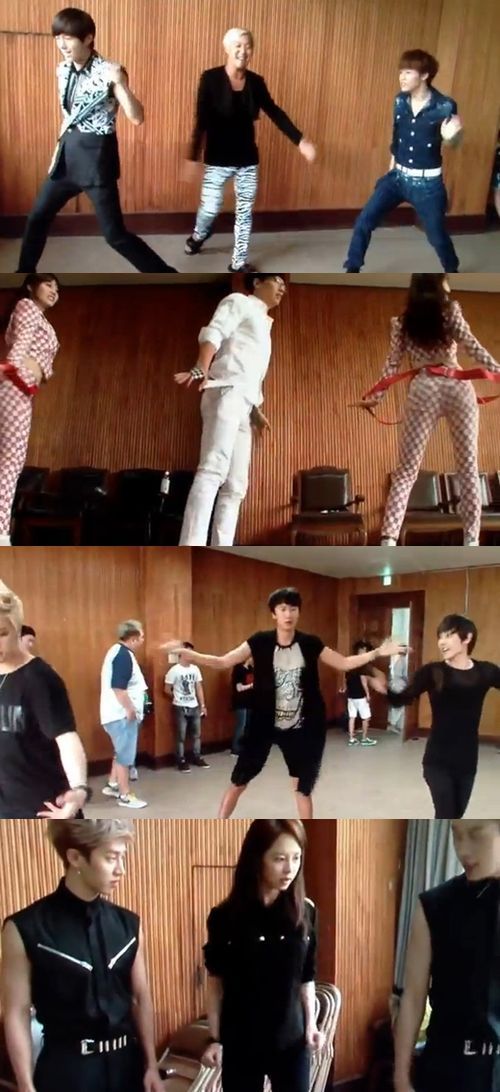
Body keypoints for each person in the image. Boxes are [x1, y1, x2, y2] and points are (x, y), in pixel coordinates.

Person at [164, 587, 405, 819]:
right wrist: (190, 655)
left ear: (298, 612)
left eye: (293, 609)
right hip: (264, 722)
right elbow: (223, 661)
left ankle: (307, 832)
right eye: (282, 609)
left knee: (302, 787)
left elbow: (343, 662)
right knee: (239, 781)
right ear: (274, 613)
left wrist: (376, 653)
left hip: (301, 726)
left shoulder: (310, 643)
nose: (288, 614)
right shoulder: (259, 641)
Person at [0, 818, 164, 1092]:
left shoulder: (129, 924)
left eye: (122, 857)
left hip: (128, 1067)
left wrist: (151, 1066)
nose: (121, 870)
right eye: (111, 858)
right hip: (67, 1071)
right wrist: (26, 1086)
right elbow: (16, 1012)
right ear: (75, 857)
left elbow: (140, 997)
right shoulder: (24, 927)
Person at [17, 7, 176, 274]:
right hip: (67, 157)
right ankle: (24, 275)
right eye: (58, 38)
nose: (62, 44)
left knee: (115, 236)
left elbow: (137, 117)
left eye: (68, 38)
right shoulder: (62, 70)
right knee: (37, 217)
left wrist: (121, 84)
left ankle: (165, 275)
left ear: (88, 38)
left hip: (96, 160)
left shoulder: (110, 71)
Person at [352, 274, 500, 546]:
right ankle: (471, 540)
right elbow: (472, 346)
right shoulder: (451, 311)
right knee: (468, 466)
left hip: (424, 388)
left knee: (407, 470)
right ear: (437, 284)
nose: (449, 284)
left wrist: (376, 396)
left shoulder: (401, 323)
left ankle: (388, 539)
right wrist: (498, 372)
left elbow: (392, 364)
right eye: (446, 280)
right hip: (457, 386)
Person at [201, 819, 324, 1092]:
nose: (290, 869)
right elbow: (215, 984)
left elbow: (307, 977)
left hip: (291, 1040)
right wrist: (214, 1038)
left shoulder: (306, 912)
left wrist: (311, 1026)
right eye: (280, 859)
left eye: (296, 858)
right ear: (257, 859)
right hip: (242, 1041)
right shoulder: (225, 917)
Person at [184, 27, 316, 273]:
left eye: (248, 46)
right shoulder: (210, 79)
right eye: (238, 45)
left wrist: (300, 141)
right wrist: (193, 158)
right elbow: (201, 120)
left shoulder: (256, 82)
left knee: (244, 212)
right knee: (210, 209)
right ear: (226, 48)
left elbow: (275, 112)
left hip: (247, 160)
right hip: (217, 159)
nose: (243, 51)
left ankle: (238, 262)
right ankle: (198, 235)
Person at [175, 273, 286, 546]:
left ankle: (220, 547)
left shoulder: (264, 322)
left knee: (236, 486)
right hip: (226, 392)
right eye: (276, 280)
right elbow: (215, 331)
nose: (282, 287)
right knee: (213, 470)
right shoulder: (239, 301)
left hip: (244, 404)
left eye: (285, 284)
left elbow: (248, 370)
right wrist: (201, 366)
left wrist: (255, 410)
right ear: (257, 282)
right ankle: (191, 545)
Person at [394, 819, 500, 1092]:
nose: (462, 850)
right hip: (447, 1072)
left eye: (475, 834)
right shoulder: (435, 905)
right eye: (456, 835)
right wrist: (401, 1078)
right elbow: (413, 997)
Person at [344, 49, 463, 272]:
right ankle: (352, 268)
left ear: (424, 75)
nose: (402, 77)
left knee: (437, 237)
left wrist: (451, 137)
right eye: (401, 72)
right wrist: (391, 169)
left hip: (428, 185)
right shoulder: (399, 101)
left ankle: (452, 268)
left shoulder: (445, 105)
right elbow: (397, 137)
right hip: (397, 178)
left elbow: (454, 142)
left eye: (408, 72)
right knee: (364, 221)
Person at [384, 614, 500, 818]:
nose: (442, 642)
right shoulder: (433, 672)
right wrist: (383, 685)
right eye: (440, 637)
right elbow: (401, 699)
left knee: (457, 815)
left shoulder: (485, 672)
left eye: (448, 635)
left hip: (467, 761)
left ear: (467, 638)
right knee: (445, 813)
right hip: (437, 760)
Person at [0, 580, 90, 819]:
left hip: (41, 807)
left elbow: (66, 737)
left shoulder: (39, 678)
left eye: (2, 633)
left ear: (17, 629)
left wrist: (79, 789)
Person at [0, 274, 60, 546]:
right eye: (48, 284)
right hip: (15, 384)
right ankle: (1, 534)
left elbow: (43, 362)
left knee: (9, 460)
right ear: (30, 287)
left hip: (23, 389)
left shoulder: (42, 319)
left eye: (57, 288)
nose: (54, 291)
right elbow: (21, 344)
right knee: (11, 462)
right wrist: (10, 370)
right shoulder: (27, 306)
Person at [100, 621, 148, 809]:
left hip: (115, 714)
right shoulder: (123, 656)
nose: (143, 640)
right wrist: (130, 709)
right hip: (121, 715)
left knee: (120, 751)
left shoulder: (117, 652)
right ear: (133, 638)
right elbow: (118, 687)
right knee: (125, 757)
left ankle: (113, 784)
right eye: (142, 637)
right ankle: (125, 795)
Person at [164, 641, 210, 772]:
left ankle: (197, 756)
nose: (191, 655)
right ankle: (181, 760)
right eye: (188, 652)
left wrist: (202, 705)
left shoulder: (195, 669)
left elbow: (198, 687)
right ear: (181, 653)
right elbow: (166, 689)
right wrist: (177, 697)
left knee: (196, 735)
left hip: (194, 706)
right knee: (181, 736)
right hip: (180, 706)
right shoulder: (174, 670)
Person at [345, 640, 378, 746]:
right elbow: (363, 681)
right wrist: (367, 694)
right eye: (365, 650)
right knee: (366, 717)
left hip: (351, 696)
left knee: (352, 717)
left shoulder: (349, 663)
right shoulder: (362, 664)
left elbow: (346, 679)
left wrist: (345, 689)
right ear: (361, 650)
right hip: (360, 695)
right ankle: (364, 738)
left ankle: (351, 739)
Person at [230, 655, 254, 755]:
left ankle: (245, 747)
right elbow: (239, 688)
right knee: (241, 725)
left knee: (249, 725)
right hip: (240, 702)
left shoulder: (251, 669)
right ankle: (235, 749)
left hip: (250, 702)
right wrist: (251, 685)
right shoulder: (238, 669)